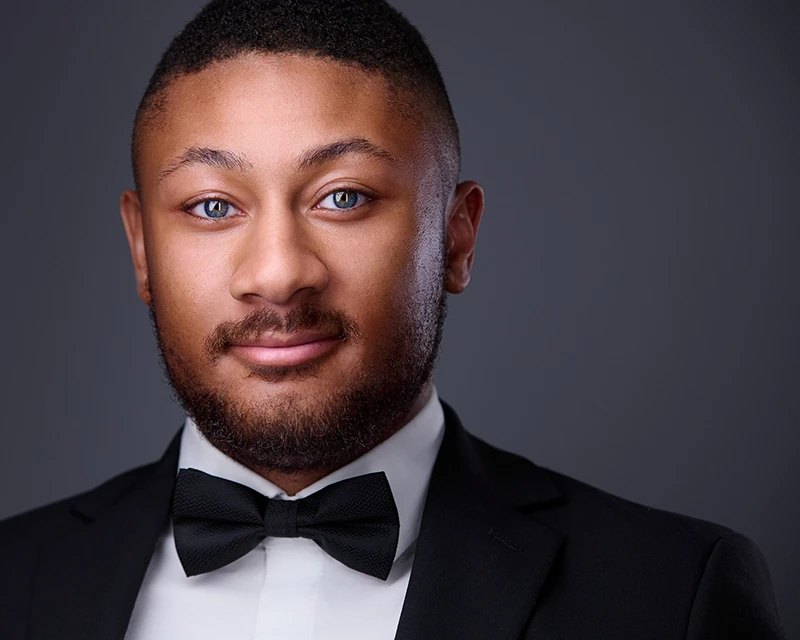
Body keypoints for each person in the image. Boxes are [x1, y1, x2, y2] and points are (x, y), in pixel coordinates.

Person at [0, 0, 786, 638]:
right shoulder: (16, 579)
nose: (277, 273)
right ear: (142, 248)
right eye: (212, 206)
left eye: (343, 197)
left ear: (456, 235)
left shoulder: (673, 598)